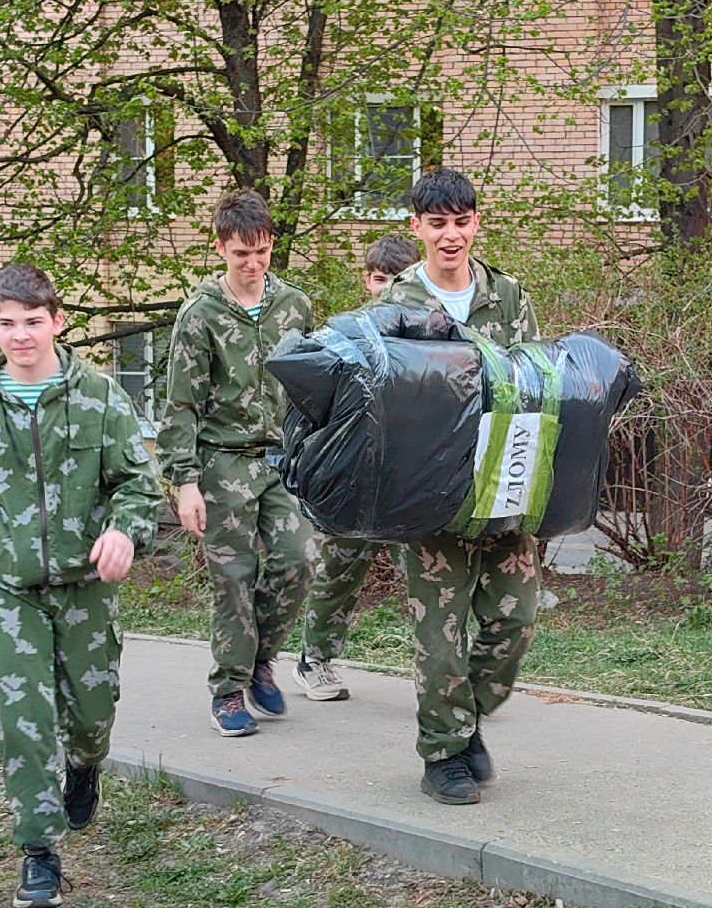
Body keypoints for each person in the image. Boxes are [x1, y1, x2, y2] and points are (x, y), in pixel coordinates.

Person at [0, 262, 159, 908]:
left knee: (90, 718)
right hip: (7, 587)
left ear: (58, 322)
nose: (21, 335)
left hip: (85, 584)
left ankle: (85, 767)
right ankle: (38, 852)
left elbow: (138, 484)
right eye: (7, 324)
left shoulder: (101, 396)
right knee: (24, 721)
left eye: (33, 322)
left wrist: (125, 532)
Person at [377, 167, 543, 806]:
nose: (451, 236)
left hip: (504, 484)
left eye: (461, 221)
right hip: (428, 496)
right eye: (437, 224)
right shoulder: (394, 304)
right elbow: (379, 396)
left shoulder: (508, 296)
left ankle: (464, 718)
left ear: (477, 221)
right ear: (417, 228)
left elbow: (534, 382)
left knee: (517, 621)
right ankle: (442, 754)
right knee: (440, 637)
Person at [159, 191, 316, 737]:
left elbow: (309, 386)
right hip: (222, 462)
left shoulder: (294, 306)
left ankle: (259, 660)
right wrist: (184, 482)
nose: (252, 265)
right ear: (220, 248)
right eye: (240, 254)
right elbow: (181, 404)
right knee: (233, 576)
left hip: (280, 460)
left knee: (300, 558)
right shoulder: (199, 315)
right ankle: (228, 689)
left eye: (262, 252)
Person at [292, 231, 421, 702]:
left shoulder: (423, 333)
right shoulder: (345, 334)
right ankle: (315, 657)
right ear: (368, 279)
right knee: (341, 568)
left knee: (426, 574)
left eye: (400, 281)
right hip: (354, 479)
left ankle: (439, 672)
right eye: (383, 280)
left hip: (408, 479)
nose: (389, 290)